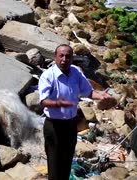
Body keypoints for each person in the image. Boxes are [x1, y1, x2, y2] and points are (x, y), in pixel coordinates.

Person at [38, 44, 110, 180]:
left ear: (72, 59)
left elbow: (88, 91)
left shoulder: (76, 72)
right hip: (54, 126)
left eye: (68, 56)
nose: (64, 59)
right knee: (54, 164)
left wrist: (100, 95)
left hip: (71, 125)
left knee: (66, 161)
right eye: (61, 56)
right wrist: (58, 103)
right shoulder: (48, 76)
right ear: (55, 57)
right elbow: (43, 101)